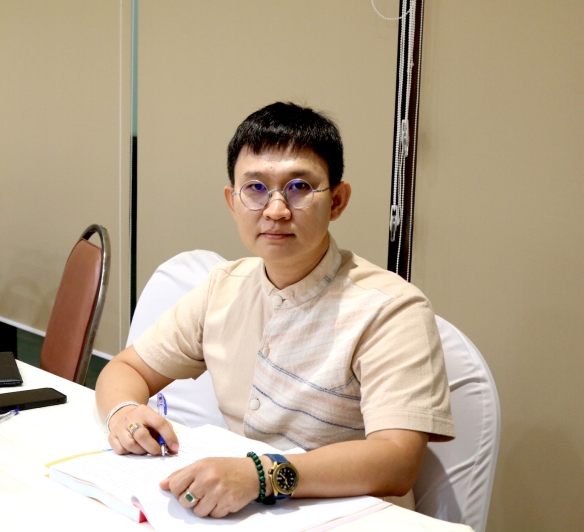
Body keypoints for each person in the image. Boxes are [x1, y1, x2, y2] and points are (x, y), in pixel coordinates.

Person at [95, 102, 455, 518]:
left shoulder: (391, 309)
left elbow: (397, 461)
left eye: (299, 187)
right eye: (255, 188)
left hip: (351, 516)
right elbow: (128, 368)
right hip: (243, 511)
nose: (276, 210)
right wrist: (124, 414)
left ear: (337, 201)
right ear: (232, 201)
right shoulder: (223, 287)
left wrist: (261, 476)